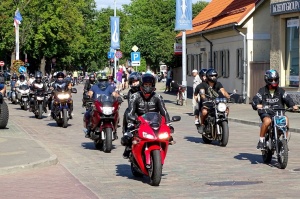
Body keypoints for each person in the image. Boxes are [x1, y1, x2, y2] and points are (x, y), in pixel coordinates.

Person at [121, 73, 174, 159]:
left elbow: (164, 112)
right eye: (146, 84)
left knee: (168, 138)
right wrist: (133, 121)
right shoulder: (135, 97)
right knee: (127, 138)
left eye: (150, 85)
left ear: (153, 85)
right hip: (138, 123)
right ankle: (129, 149)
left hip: (154, 123)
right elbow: (130, 112)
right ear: (142, 85)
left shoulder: (158, 97)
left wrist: (169, 124)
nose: (148, 87)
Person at [252, 69, 298, 150]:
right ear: (267, 80)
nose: (274, 81)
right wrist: (256, 104)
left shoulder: (281, 91)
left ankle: (284, 141)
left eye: (275, 79)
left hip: (278, 112)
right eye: (271, 80)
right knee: (267, 121)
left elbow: (287, 98)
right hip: (266, 112)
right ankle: (261, 140)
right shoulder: (262, 90)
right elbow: (256, 99)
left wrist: (292, 105)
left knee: (286, 119)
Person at [84, 73, 120, 138]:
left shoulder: (109, 87)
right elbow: (90, 93)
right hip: (96, 105)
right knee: (88, 113)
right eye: (101, 81)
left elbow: (114, 94)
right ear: (98, 80)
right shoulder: (94, 87)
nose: (103, 82)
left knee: (116, 113)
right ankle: (89, 129)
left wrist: (118, 97)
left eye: (105, 80)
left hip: (107, 105)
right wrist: (88, 96)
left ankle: (115, 129)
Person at [198, 68, 231, 134]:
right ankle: (202, 125)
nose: (214, 77)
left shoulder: (218, 84)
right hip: (207, 102)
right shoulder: (204, 84)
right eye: (212, 76)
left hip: (216, 102)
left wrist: (228, 96)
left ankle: (224, 121)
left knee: (226, 109)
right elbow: (202, 93)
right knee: (204, 112)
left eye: (215, 76)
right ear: (208, 76)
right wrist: (204, 98)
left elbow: (223, 91)